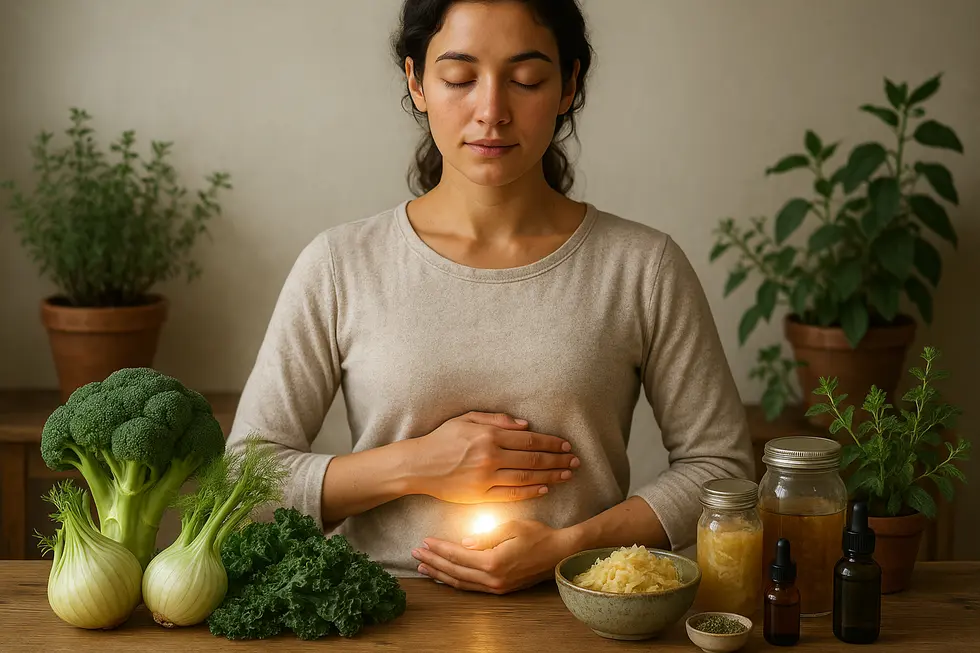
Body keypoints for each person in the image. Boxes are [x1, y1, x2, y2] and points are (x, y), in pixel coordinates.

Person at [227, 0, 754, 595]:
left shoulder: (642, 266)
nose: (492, 111)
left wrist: (572, 547)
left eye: (526, 79)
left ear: (568, 85)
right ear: (416, 82)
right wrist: (419, 464)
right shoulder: (340, 264)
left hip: (584, 613)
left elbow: (723, 473)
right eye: (459, 78)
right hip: (379, 607)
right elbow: (246, 479)